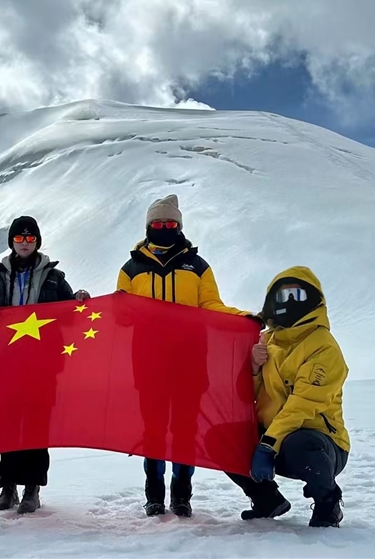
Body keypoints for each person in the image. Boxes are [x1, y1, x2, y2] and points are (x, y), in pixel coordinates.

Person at [116, 195, 250, 518]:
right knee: (153, 432)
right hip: (148, 364)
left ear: (179, 226)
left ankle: (181, 495)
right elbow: (122, 316)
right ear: (148, 227)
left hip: (190, 362)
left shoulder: (198, 267)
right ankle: (154, 495)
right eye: (158, 223)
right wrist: (118, 308)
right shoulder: (131, 269)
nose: (164, 228)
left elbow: (211, 306)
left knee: (185, 431)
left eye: (170, 223)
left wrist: (243, 318)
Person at [0, 215, 90, 514]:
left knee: (37, 424)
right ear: (12, 242)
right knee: (8, 424)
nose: (24, 243)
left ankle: (32, 489)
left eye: (30, 238)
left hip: (43, 364)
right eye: (19, 238)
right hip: (6, 364)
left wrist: (79, 299)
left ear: (37, 241)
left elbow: (71, 315)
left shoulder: (53, 277)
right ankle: (8, 486)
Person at [227, 266, 350, 528]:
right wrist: (254, 369)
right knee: (224, 437)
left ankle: (328, 503)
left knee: (300, 443)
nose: (289, 302)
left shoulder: (324, 348)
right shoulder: (265, 341)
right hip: (273, 440)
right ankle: (266, 499)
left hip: (321, 443)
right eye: (282, 296)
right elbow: (247, 399)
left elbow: (300, 406)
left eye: (297, 294)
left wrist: (267, 445)